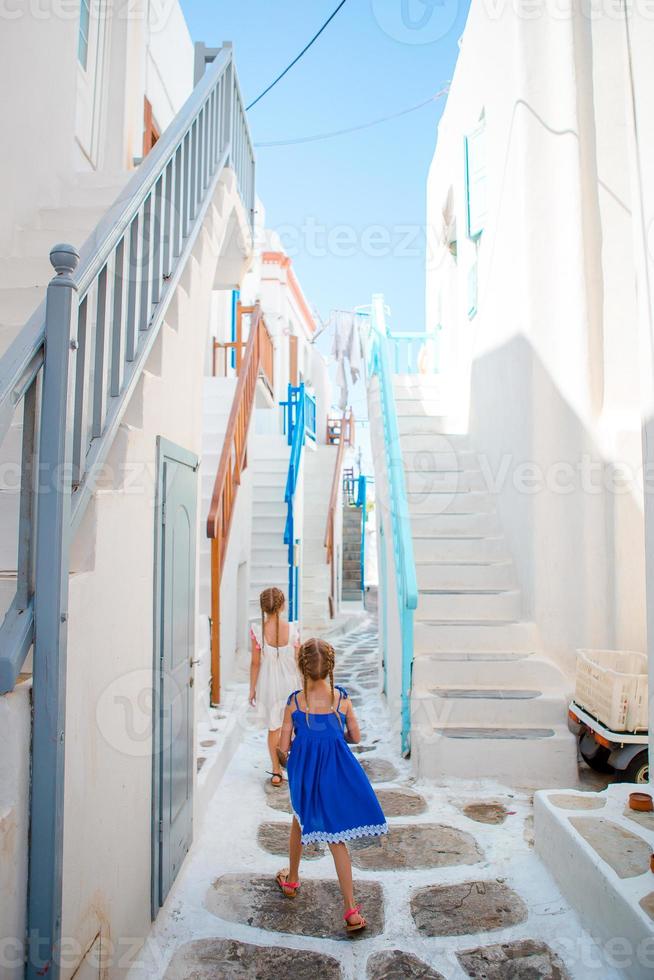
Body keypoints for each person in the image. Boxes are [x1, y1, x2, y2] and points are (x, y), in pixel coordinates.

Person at [275, 638, 387, 933]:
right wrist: (335, 738)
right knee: (337, 840)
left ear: (302, 668)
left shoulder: (295, 703)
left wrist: (282, 758)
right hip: (334, 773)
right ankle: (350, 909)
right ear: (330, 668)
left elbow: (283, 747)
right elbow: (356, 736)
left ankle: (293, 879)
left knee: (299, 821)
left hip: (305, 774)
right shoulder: (342, 701)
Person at [249, 587, 301, 787]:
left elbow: (255, 663)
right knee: (291, 726)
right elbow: (298, 660)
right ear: (282, 606)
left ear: (263, 608)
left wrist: (252, 688)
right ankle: (293, 764)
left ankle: (276, 770)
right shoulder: (293, 629)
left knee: (273, 728)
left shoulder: (257, 631)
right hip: (290, 682)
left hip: (268, 684)